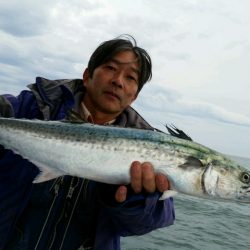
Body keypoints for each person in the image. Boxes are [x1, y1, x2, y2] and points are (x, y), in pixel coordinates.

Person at [0, 35, 175, 250]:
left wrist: (130, 198)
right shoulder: (34, 108)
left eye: (130, 78)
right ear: (87, 76)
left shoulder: (149, 147)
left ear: (134, 97)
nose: (118, 81)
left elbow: (149, 222)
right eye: (111, 68)